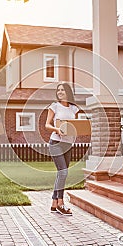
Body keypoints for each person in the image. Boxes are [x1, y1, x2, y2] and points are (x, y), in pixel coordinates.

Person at [45, 82, 79, 216]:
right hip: (56, 142)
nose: (59, 92)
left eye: (62, 90)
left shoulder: (73, 108)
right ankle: (60, 203)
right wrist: (57, 129)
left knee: (61, 173)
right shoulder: (54, 106)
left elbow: (75, 125)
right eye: (58, 90)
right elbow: (47, 125)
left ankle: (54, 204)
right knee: (63, 173)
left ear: (68, 92)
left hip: (68, 144)